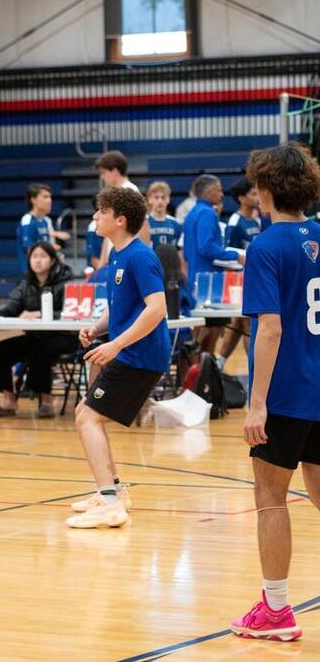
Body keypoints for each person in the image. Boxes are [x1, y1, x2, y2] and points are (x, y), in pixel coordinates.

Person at [232, 144, 320, 642]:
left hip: (285, 396)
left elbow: (270, 329)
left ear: (265, 189)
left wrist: (257, 402)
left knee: (270, 499)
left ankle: (276, 610)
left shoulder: (267, 246)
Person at [66, 187, 170, 529]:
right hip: (131, 351)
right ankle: (114, 492)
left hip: (140, 356)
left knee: (88, 418)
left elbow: (157, 309)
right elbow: (123, 306)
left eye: (101, 211)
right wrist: (97, 329)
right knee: (86, 413)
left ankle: (109, 502)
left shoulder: (141, 257)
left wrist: (116, 346)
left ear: (120, 220)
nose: (95, 217)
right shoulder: (117, 255)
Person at [0, 242, 76, 419]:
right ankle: (9, 400)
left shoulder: (66, 282)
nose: (38, 261)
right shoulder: (26, 282)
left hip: (64, 337)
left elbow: (71, 311)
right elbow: (13, 305)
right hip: (36, 336)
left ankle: (46, 401)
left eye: (42, 256)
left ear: (53, 260)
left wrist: (40, 314)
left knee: (40, 348)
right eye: (34, 257)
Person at [183, 174, 245, 353]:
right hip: (210, 285)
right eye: (218, 189)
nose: (221, 194)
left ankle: (197, 377)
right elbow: (206, 247)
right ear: (209, 192)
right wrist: (235, 255)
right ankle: (203, 378)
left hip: (195, 278)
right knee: (208, 338)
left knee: (200, 335)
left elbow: (188, 252)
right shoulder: (208, 213)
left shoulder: (192, 213)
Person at [219, 178, 263, 364]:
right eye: (253, 193)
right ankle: (252, 367)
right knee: (247, 323)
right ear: (242, 198)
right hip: (239, 279)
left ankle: (220, 362)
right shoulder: (235, 222)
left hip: (254, 276)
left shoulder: (255, 219)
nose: (257, 196)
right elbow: (227, 253)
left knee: (240, 322)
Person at [17, 184, 68, 275]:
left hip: (47, 273)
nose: (50, 200)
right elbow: (30, 251)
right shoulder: (28, 222)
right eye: (45, 197)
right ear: (33, 200)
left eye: (50, 197)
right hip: (33, 275)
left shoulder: (46, 221)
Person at [146, 181, 182, 248]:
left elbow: (179, 250)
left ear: (168, 199)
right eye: (156, 197)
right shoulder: (144, 223)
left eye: (163, 197)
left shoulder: (176, 224)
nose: (160, 201)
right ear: (150, 199)